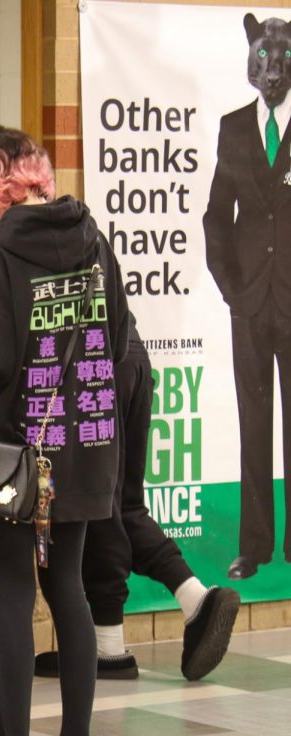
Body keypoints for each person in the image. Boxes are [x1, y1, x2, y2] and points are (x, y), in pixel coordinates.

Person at [0, 127, 130, 736]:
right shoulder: (91, 238)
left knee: (16, 595)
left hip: (17, 453)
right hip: (86, 444)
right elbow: (118, 338)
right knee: (70, 590)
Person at [34, 316, 241, 683]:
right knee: (124, 506)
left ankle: (107, 645)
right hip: (130, 351)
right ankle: (196, 599)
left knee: (91, 505)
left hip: (88, 362)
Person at [202, 13, 291, 581]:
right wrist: (231, 287)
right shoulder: (234, 128)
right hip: (251, 304)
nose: (273, 67)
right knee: (252, 424)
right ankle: (254, 546)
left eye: (282, 57)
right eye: (264, 57)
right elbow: (217, 217)